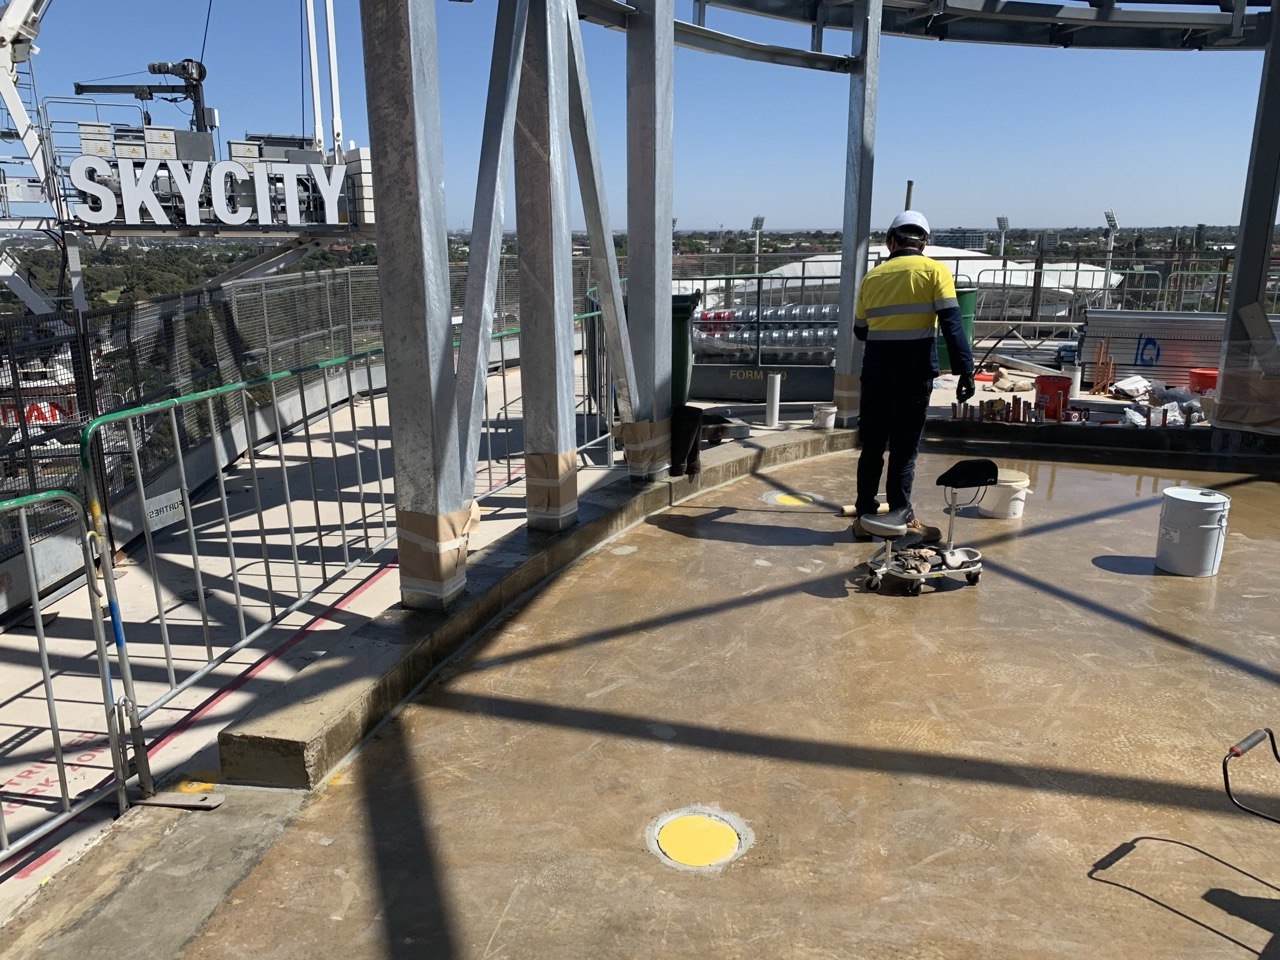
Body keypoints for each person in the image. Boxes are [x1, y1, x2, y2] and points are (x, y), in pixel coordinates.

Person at [846, 210, 975, 542]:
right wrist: (964, 371)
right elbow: (951, 324)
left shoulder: (873, 278)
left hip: (875, 377)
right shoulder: (934, 272)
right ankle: (901, 514)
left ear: (891, 241)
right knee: (904, 450)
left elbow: (861, 331)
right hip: (913, 377)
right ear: (924, 243)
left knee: (872, 448)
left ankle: (864, 518)